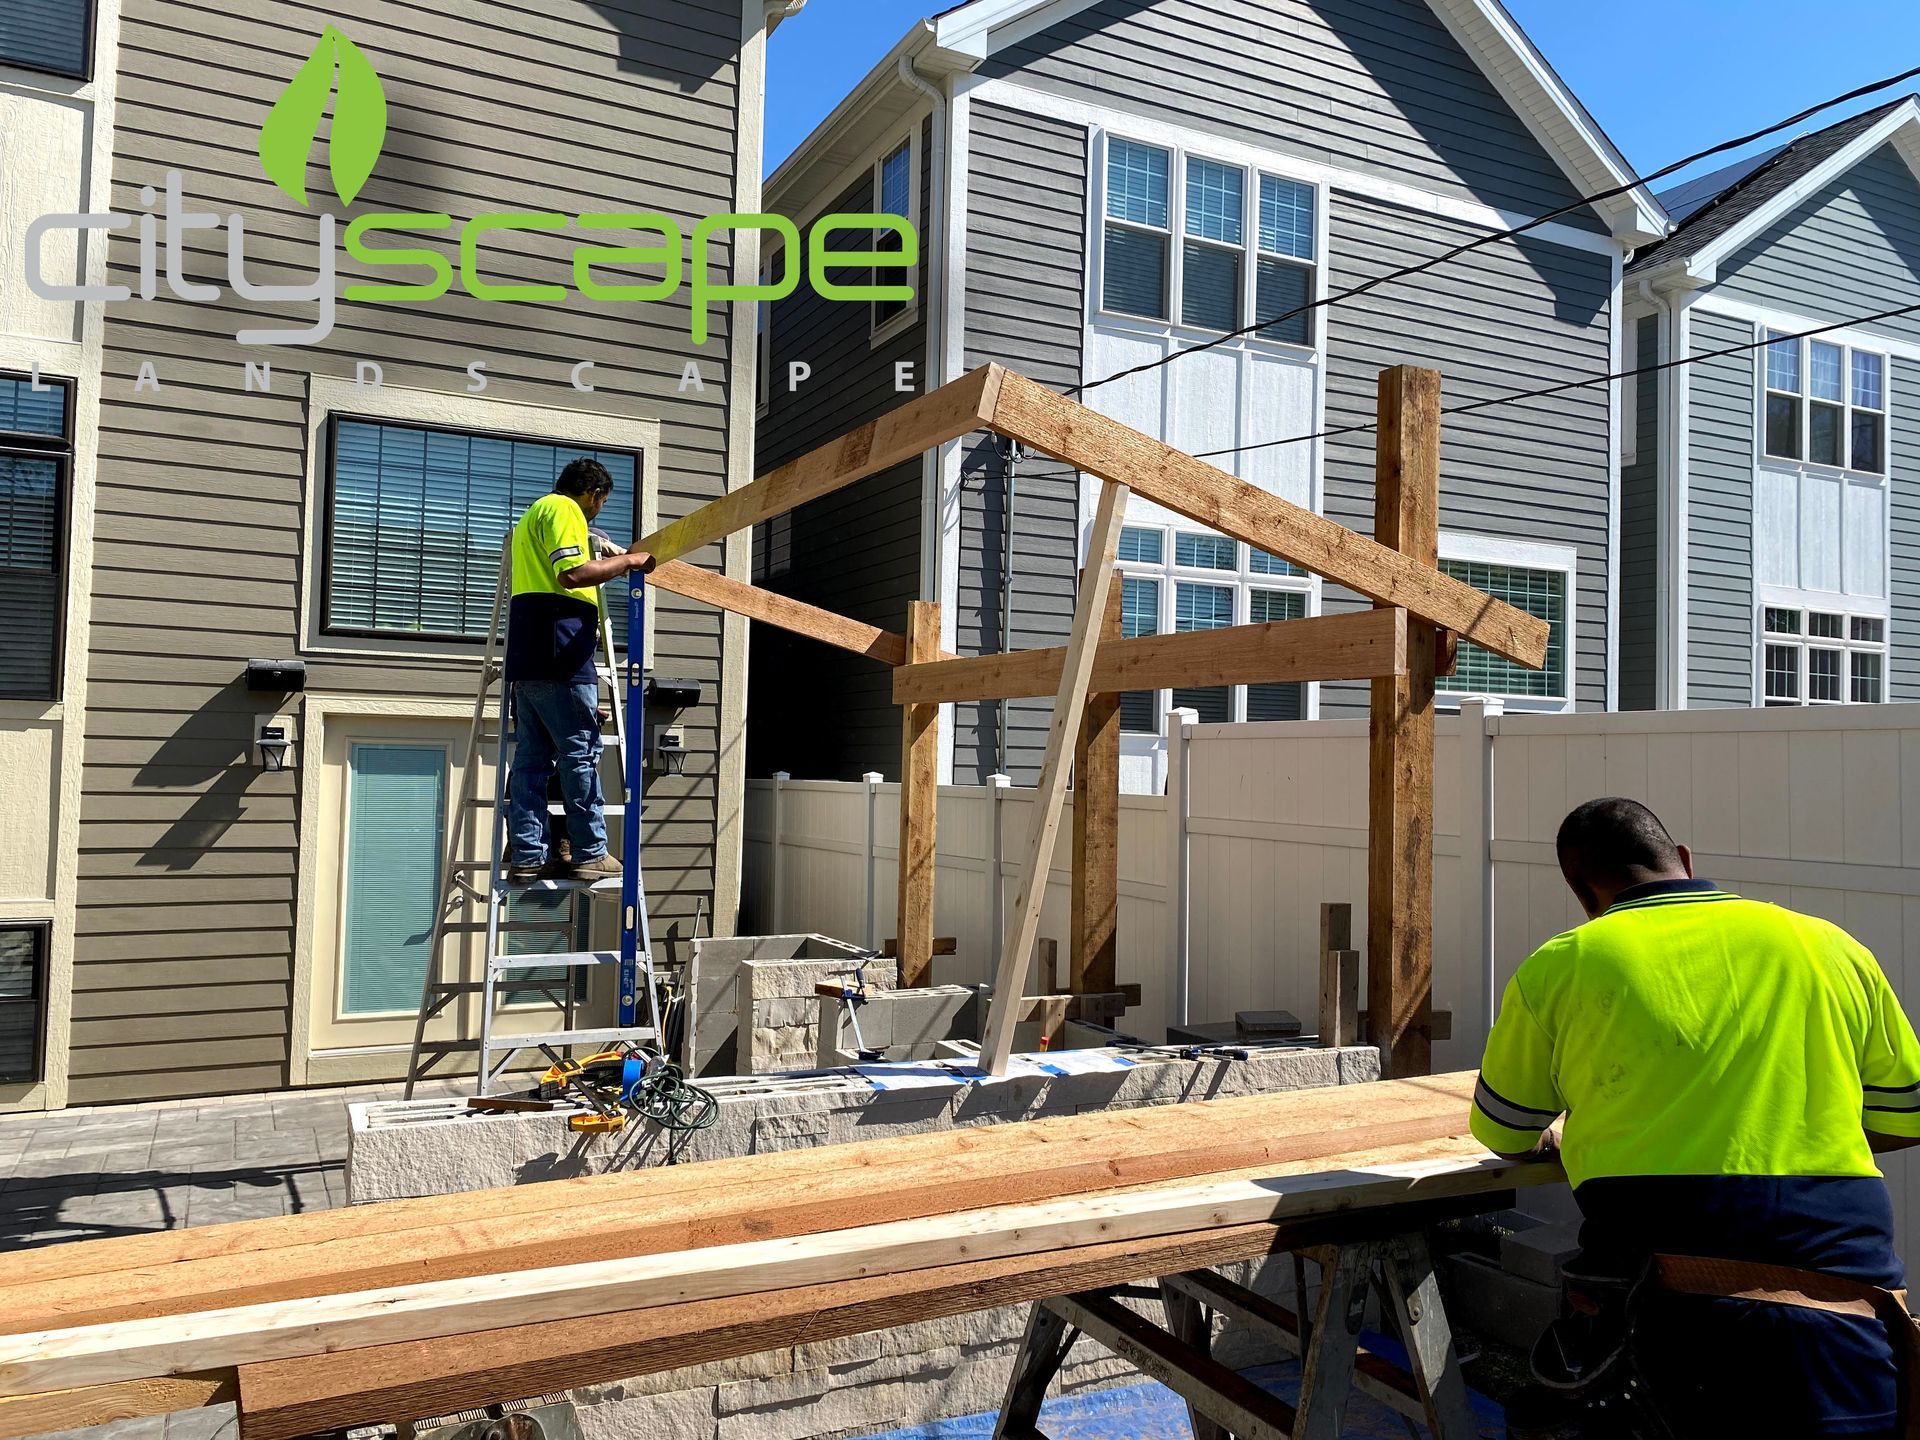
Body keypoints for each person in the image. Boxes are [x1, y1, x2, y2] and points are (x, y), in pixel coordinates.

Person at [1473, 797, 1920, 1439]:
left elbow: (1504, 1135)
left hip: (1667, 1323)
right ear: (1682, 860)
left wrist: (1567, 1134)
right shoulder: (1830, 945)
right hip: (1842, 1310)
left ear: (1579, 888)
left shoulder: (1563, 964)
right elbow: (1904, 1121)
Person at [503, 458, 652, 885]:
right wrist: (628, 564)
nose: (599, 509)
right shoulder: (566, 509)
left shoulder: (536, 513)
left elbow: (568, 556)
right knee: (580, 754)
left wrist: (596, 544)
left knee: (532, 759)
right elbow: (571, 574)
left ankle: (529, 853)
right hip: (562, 649)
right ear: (593, 493)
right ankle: (590, 851)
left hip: (528, 655)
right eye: (601, 502)